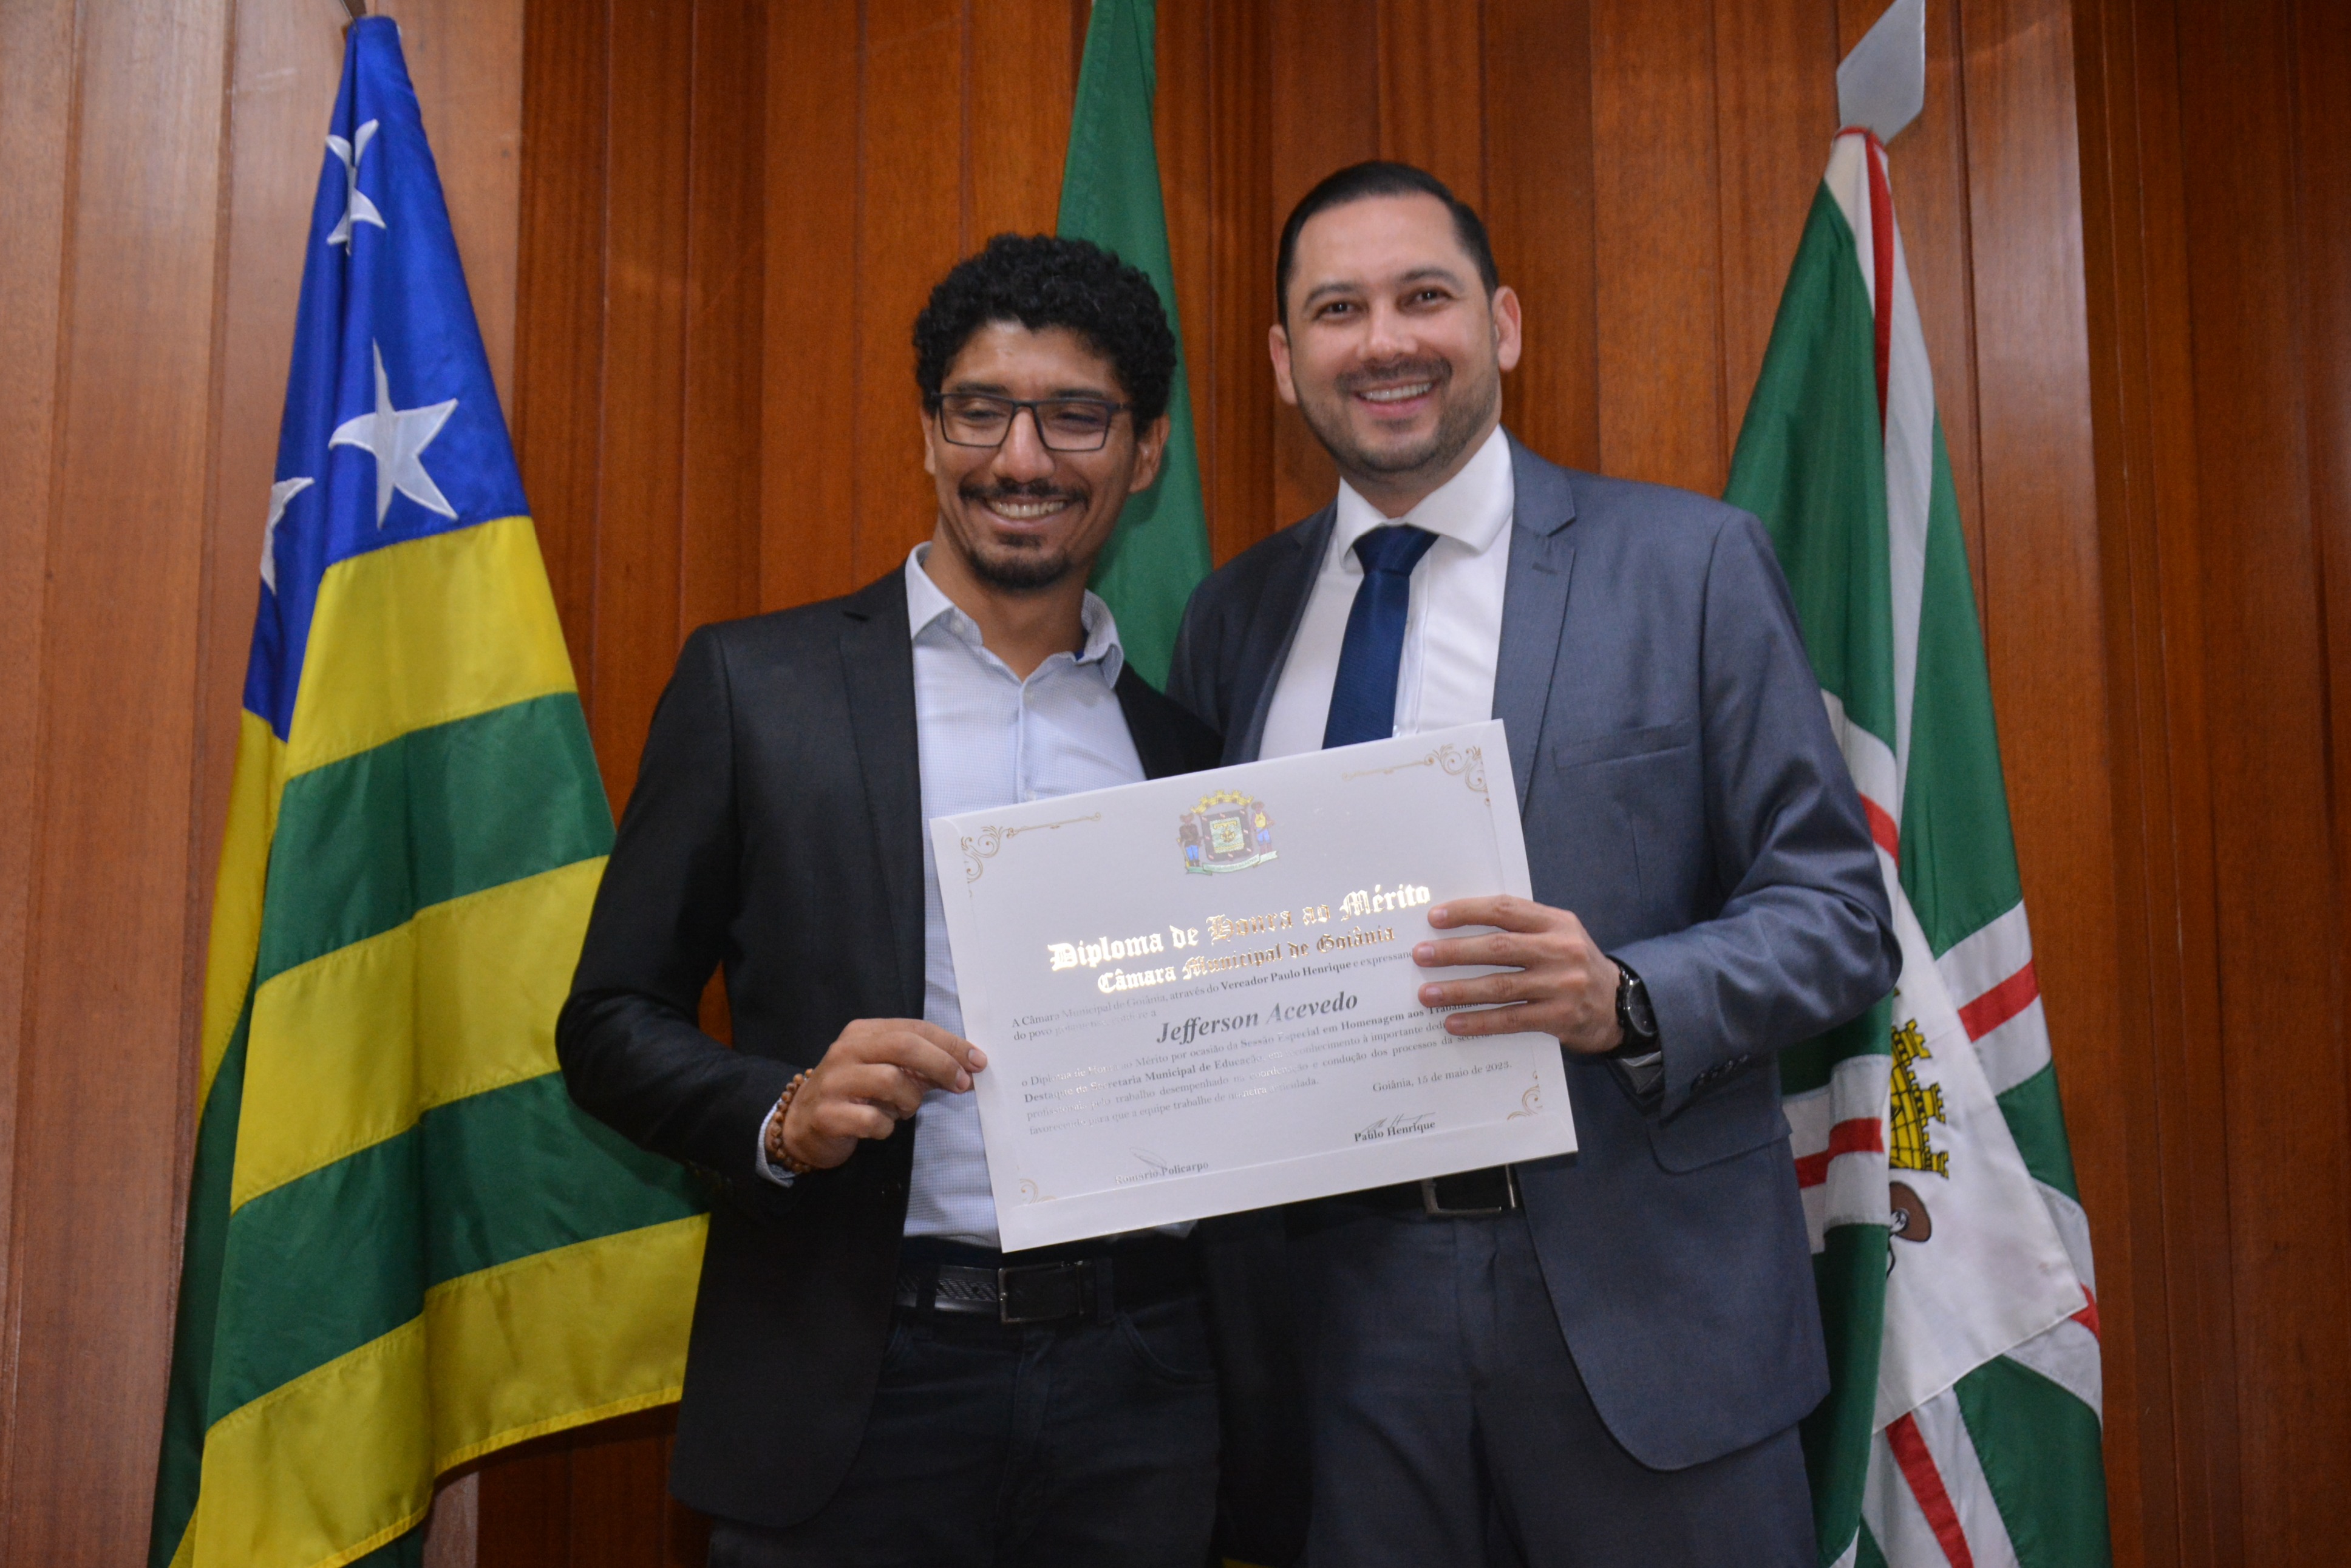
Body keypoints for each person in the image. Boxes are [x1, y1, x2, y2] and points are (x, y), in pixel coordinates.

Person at [1168, 161, 1900, 1567]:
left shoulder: (1689, 564)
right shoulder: (1232, 616)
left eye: (1422, 296)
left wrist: (1625, 994)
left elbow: (1837, 916)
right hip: (1344, 1324)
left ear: (1500, 324)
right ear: (1282, 358)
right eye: (1336, 309)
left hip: (1647, 1311)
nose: (1383, 340)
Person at [559, 234, 1234, 1568]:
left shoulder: (1190, 755)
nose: (1022, 458)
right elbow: (608, 1021)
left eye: (1076, 417)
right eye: (981, 411)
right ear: (930, 432)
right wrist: (783, 1111)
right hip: (855, 1383)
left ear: (1145, 451)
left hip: (1143, 1388)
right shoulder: (759, 690)